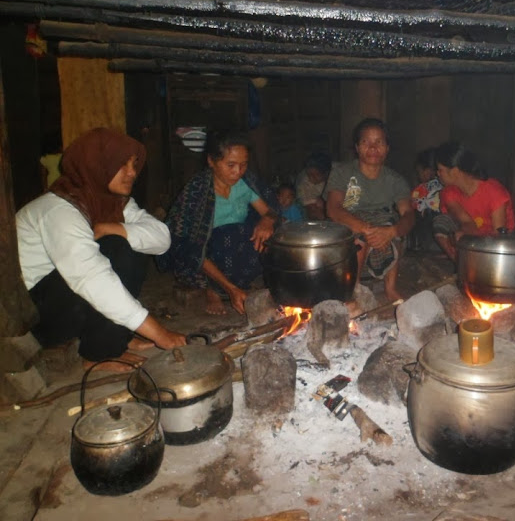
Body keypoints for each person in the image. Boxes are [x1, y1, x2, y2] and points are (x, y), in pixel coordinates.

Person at [15, 128, 187, 372]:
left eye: (133, 164)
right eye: (122, 165)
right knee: (116, 251)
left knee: (124, 240)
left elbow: (161, 238)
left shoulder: (108, 201)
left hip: (67, 301)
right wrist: (159, 332)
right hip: (35, 319)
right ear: (97, 165)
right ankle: (98, 355)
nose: (132, 172)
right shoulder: (58, 210)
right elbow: (92, 279)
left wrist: (111, 226)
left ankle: (117, 338)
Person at [160, 130, 279, 316]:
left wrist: (267, 221)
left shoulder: (244, 184)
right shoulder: (197, 191)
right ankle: (214, 289)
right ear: (211, 161)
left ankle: (238, 283)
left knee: (270, 237)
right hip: (206, 253)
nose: (238, 172)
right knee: (227, 236)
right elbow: (188, 244)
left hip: (238, 246)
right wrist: (230, 289)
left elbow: (270, 211)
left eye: (243, 165)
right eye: (230, 165)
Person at [325, 118, 415, 302]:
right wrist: (367, 229)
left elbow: (409, 215)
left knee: (392, 226)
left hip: (382, 225)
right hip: (351, 224)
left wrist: (391, 231)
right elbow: (333, 209)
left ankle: (390, 289)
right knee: (359, 238)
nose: (373, 148)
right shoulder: (342, 172)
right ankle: (354, 289)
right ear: (357, 147)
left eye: (379, 142)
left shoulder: (396, 180)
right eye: (366, 142)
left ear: (387, 148)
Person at [432, 141, 515, 262]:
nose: (437, 174)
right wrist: (464, 233)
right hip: (474, 241)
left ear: (454, 171)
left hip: (499, 246)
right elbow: (467, 223)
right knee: (440, 223)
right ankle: (461, 265)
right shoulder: (449, 192)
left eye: (440, 170)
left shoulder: (494, 192)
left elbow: (499, 236)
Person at [409, 146, 443, 251]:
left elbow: (412, 203)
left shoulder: (422, 189)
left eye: (419, 172)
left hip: (430, 234)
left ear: (427, 171)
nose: (418, 176)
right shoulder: (448, 185)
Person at [295, 150, 332, 220]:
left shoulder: (335, 175)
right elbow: (312, 211)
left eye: (316, 175)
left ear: (326, 173)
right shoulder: (304, 183)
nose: (311, 178)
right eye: (309, 175)